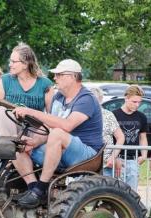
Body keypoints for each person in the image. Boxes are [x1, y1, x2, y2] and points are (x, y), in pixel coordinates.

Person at [11, 59, 103, 208]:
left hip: (87, 155)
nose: (55, 78)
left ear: (72, 77)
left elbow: (67, 126)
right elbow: (48, 128)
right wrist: (34, 142)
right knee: (16, 146)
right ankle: (33, 189)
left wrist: (30, 111)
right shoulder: (58, 97)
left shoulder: (86, 99)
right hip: (61, 150)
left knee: (58, 133)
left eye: (59, 75)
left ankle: (41, 188)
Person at [0, 43, 54, 137]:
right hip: (9, 128)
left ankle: (13, 147)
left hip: (35, 131)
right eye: (10, 61)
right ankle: (9, 146)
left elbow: (52, 116)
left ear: (25, 64)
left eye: (13, 62)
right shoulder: (5, 80)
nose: (10, 64)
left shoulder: (45, 84)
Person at [112, 85, 148, 190]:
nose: (137, 105)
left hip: (133, 159)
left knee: (132, 193)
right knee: (116, 192)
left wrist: (144, 155)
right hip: (118, 158)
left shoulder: (141, 117)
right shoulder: (114, 115)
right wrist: (114, 157)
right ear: (126, 98)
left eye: (139, 102)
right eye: (134, 102)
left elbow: (143, 137)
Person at [89, 87, 125, 177]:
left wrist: (113, 157)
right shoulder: (80, 114)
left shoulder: (108, 115)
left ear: (100, 100)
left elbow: (120, 137)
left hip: (105, 165)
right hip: (84, 164)